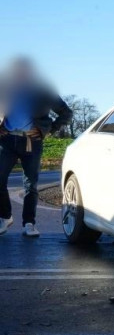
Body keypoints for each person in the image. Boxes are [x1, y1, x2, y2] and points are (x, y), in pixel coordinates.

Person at [0, 57, 71, 238]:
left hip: (32, 142)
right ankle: (5, 217)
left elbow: (66, 112)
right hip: (7, 142)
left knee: (30, 185)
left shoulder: (42, 91)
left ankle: (29, 223)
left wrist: (49, 129)